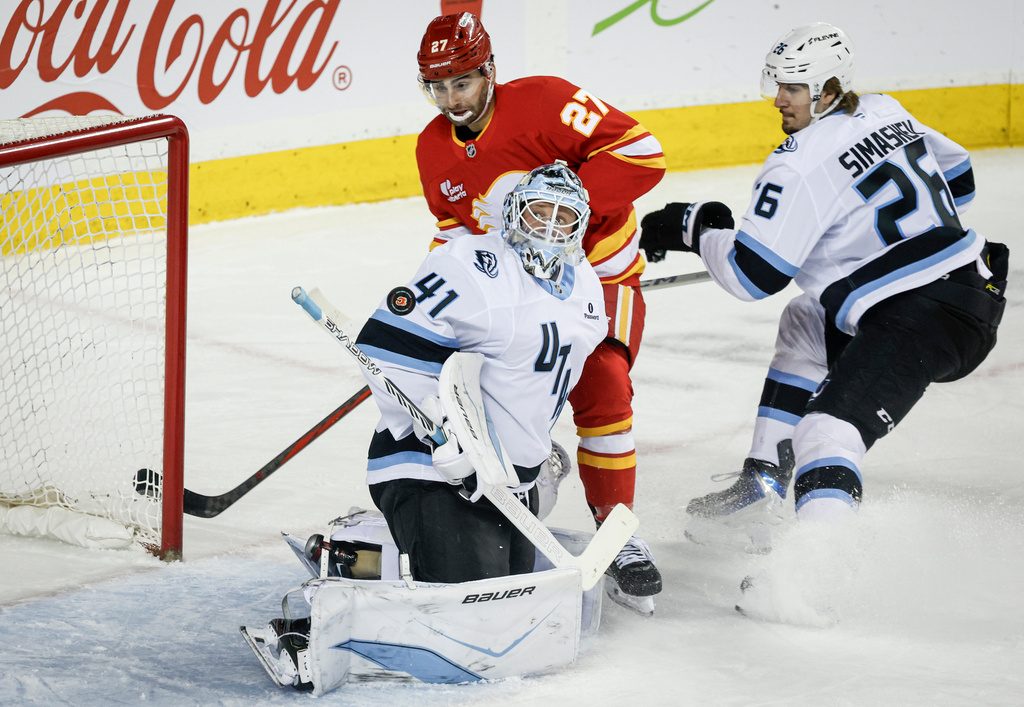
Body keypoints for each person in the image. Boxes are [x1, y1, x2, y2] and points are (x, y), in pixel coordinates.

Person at [639, 23, 1007, 543]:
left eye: (792, 88)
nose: (778, 101)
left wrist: (696, 228)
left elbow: (753, 277)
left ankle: (813, 578)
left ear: (827, 91)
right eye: (779, 85)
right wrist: (861, 237)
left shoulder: (799, 162)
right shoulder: (885, 110)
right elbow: (960, 179)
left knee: (826, 432)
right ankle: (763, 482)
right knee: (806, 321)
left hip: (925, 314)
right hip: (962, 286)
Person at [414, 11, 666, 606]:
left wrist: (569, 203)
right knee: (479, 390)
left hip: (598, 274)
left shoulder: (546, 103)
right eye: (438, 86)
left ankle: (617, 529)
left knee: (602, 380)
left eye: (463, 82)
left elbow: (644, 154)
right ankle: (535, 466)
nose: (451, 99)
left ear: (490, 71)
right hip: (514, 289)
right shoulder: (432, 148)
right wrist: (430, 295)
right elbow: (454, 230)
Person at [355, 163, 606, 583]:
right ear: (513, 212)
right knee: (473, 605)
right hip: (432, 471)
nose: (548, 227)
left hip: (507, 484)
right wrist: (446, 435)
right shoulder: (473, 264)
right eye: (539, 212)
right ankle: (317, 622)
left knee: (513, 604)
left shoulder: (585, 285)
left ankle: (371, 564)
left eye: (562, 218)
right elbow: (388, 345)